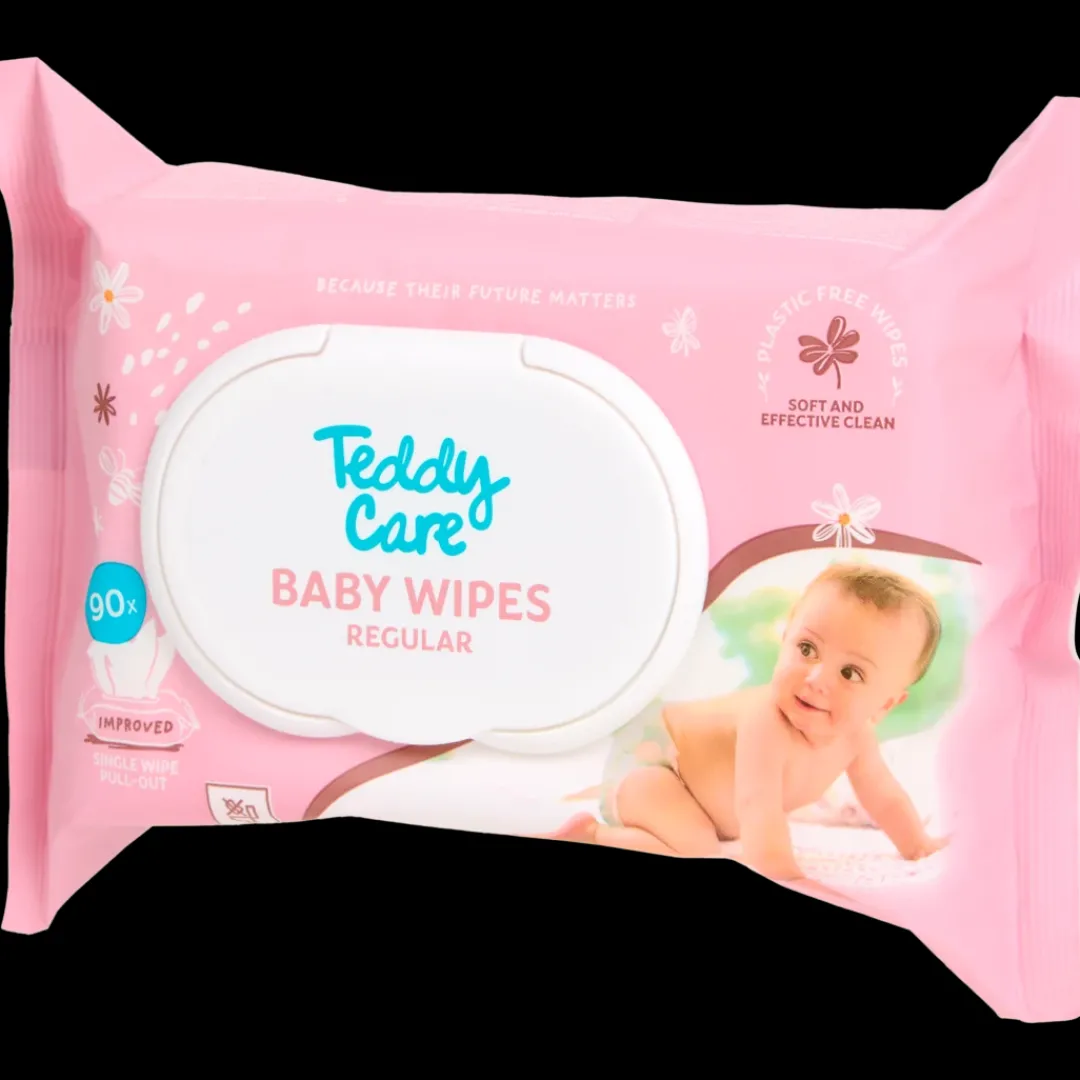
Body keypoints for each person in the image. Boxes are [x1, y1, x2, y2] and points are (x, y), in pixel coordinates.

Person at [551, 562, 949, 880]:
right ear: (786, 638)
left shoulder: (858, 738)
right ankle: (592, 835)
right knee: (697, 850)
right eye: (807, 648)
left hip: (694, 795)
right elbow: (757, 805)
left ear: (885, 705)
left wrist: (918, 844)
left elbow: (884, 796)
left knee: (701, 839)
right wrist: (783, 874)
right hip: (655, 762)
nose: (815, 678)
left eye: (850, 673)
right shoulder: (767, 720)